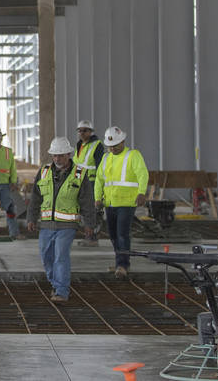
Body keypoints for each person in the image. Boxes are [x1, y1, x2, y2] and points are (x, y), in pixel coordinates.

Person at [27, 137, 96, 303]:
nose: (57, 159)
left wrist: (89, 224)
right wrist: (31, 218)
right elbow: (35, 198)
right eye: (55, 155)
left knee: (60, 256)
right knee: (46, 256)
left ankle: (61, 291)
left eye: (61, 155)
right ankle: (55, 283)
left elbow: (87, 201)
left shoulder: (80, 174)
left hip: (67, 226)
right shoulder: (43, 172)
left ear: (69, 154)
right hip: (46, 225)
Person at [94, 126, 149, 278]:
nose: (112, 148)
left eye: (116, 145)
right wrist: (98, 198)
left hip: (127, 203)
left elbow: (142, 174)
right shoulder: (106, 158)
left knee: (122, 234)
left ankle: (122, 265)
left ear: (123, 141)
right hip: (110, 203)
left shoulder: (133, 155)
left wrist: (141, 193)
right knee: (112, 235)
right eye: (110, 146)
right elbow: (99, 180)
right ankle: (121, 262)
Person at [73, 120, 104, 246]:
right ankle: (88, 235)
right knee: (83, 210)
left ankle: (92, 237)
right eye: (79, 130)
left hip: (91, 182)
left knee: (91, 210)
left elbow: (100, 167)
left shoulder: (97, 145)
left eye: (85, 130)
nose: (81, 133)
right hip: (80, 181)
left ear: (91, 132)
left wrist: (100, 187)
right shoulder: (79, 145)